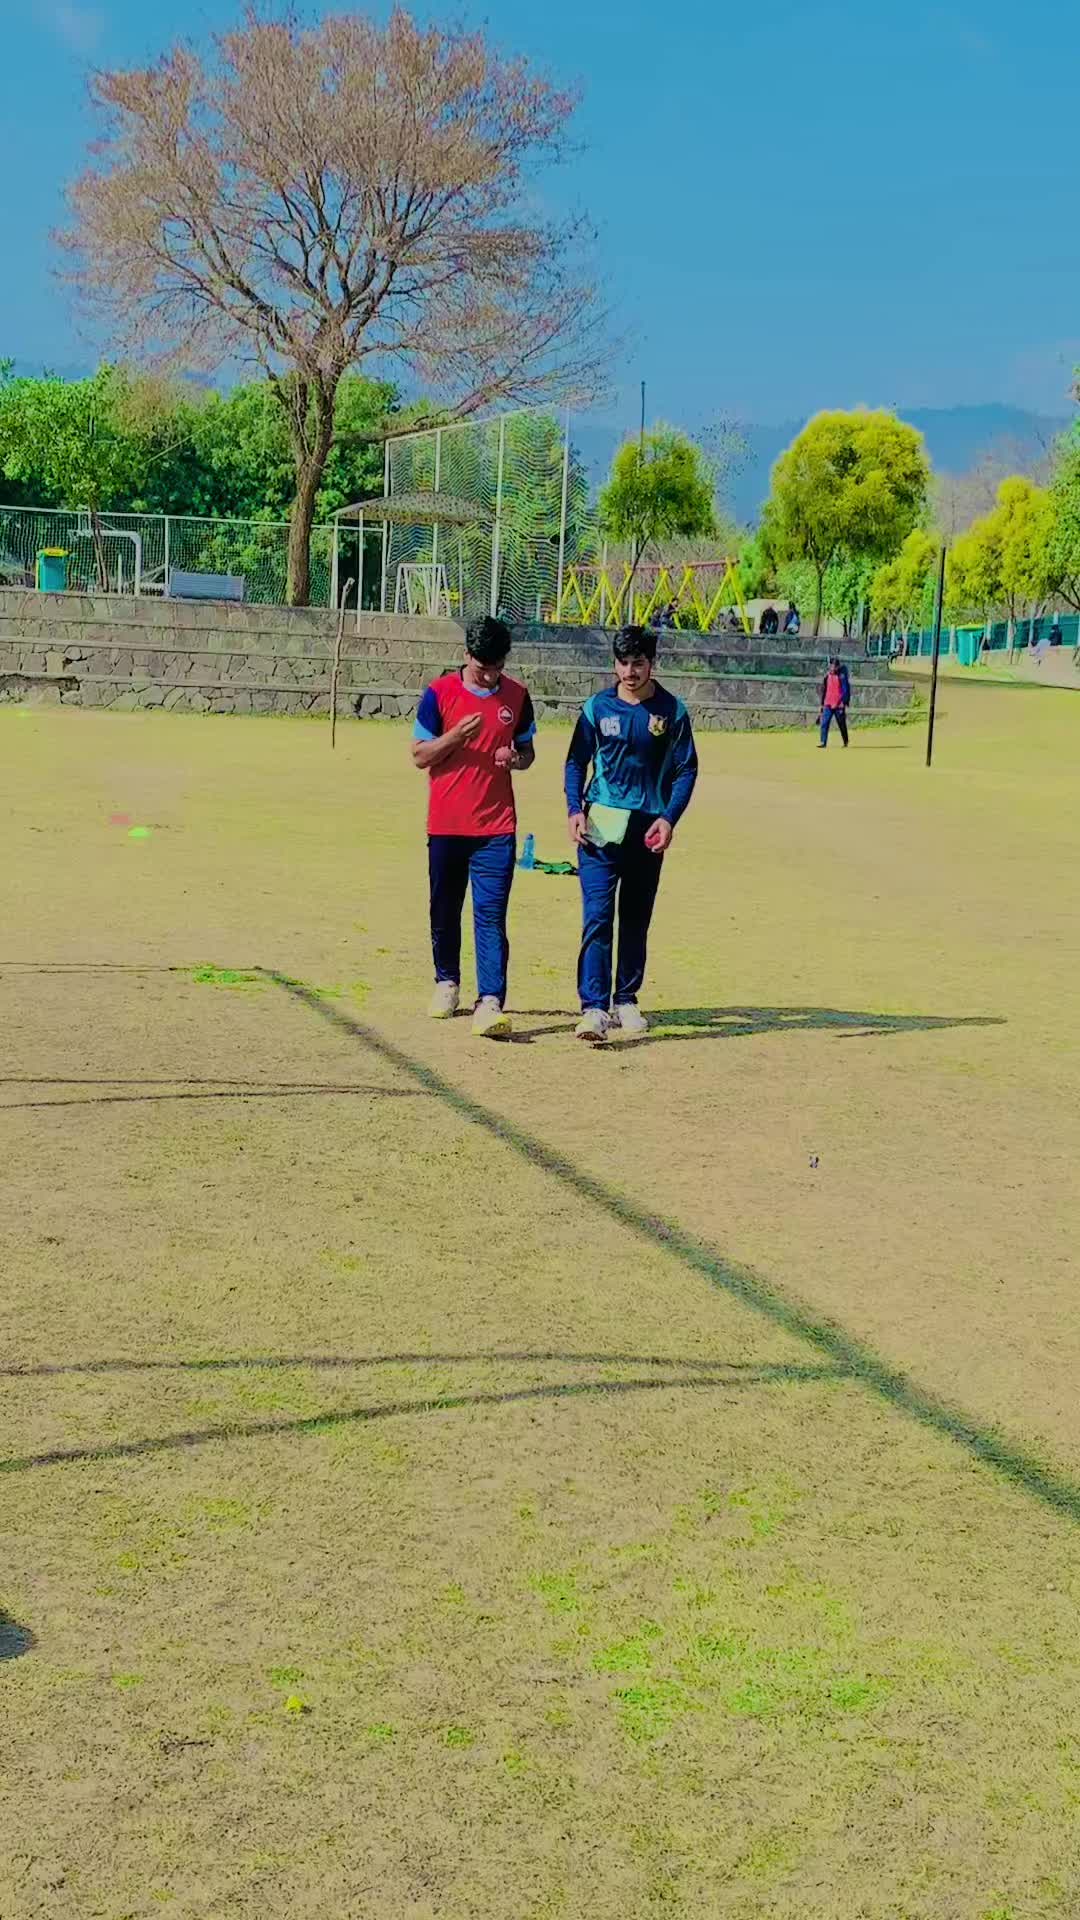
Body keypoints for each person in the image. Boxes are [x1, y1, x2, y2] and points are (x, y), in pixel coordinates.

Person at [564, 625, 698, 1043]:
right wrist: (574, 809)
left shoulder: (671, 712)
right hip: (600, 830)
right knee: (598, 917)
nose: (629, 672)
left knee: (636, 918)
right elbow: (576, 761)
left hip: (647, 830)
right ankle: (593, 1008)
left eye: (637, 663)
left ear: (651, 663)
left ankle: (626, 999)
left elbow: (687, 769)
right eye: (622, 663)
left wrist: (669, 818)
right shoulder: (597, 708)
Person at [412, 614, 536, 1039]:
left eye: (497, 668)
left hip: (496, 826)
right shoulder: (438, 693)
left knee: (491, 915)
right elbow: (420, 755)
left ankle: (491, 1001)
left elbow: (528, 752)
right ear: (466, 656)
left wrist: (515, 759)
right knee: (445, 909)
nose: (489, 676)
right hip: (447, 824)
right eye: (482, 668)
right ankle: (446, 982)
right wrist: (455, 738)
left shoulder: (517, 696)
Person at [818, 656, 851, 748]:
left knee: (841, 724)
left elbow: (846, 690)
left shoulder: (842, 676)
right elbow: (823, 690)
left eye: (834, 666)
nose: (832, 668)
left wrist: (844, 702)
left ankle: (845, 741)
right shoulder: (826, 676)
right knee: (824, 723)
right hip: (828, 703)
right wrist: (822, 704)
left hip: (838, 704)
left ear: (837, 667)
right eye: (831, 666)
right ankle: (823, 742)